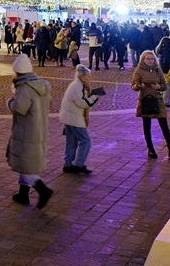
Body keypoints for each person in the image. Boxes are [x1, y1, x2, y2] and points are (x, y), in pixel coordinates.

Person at [7, 54, 54, 207]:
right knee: (26, 161)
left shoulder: (24, 87)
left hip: (26, 130)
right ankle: (23, 194)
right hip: (38, 128)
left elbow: (20, 108)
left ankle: (43, 190)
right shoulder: (40, 85)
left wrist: (10, 101)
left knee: (25, 164)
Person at [133, 50, 170, 159]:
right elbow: (133, 85)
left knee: (164, 124)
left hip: (157, 99)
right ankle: (151, 149)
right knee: (147, 125)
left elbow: (164, 85)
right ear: (143, 59)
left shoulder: (158, 69)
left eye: (152, 59)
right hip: (145, 99)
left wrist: (159, 87)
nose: (150, 61)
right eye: (147, 59)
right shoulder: (139, 70)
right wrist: (139, 86)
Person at [60, 65, 100, 174]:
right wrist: (95, 97)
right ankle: (79, 164)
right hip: (74, 118)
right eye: (88, 76)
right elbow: (83, 103)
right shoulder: (79, 86)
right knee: (85, 141)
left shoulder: (75, 84)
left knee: (71, 142)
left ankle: (67, 164)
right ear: (82, 77)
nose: (90, 78)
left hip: (68, 117)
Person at [156, 37, 170, 106]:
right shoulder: (167, 52)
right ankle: (165, 101)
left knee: (164, 85)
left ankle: (162, 99)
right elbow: (168, 62)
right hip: (166, 71)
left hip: (162, 70)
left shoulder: (160, 50)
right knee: (168, 86)